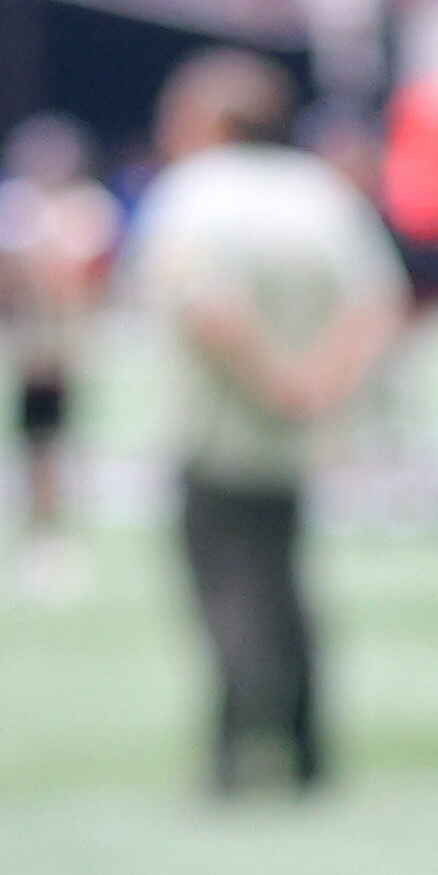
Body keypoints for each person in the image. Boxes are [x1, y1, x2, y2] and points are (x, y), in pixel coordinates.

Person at [126, 51, 403, 794]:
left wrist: (275, 379)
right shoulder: (320, 193)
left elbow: (206, 308)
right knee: (288, 587)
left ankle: (239, 749)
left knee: (226, 596)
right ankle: (311, 747)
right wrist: (321, 385)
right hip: (302, 436)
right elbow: (374, 302)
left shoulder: (191, 197)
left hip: (218, 429)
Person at [0, 114, 118, 597]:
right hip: (24, 345)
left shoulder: (87, 208)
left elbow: (86, 274)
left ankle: (65, 534)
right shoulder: (13, 207)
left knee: (68, 441)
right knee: (28, 443)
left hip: (69, 344)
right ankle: (32, 534)